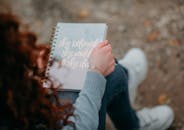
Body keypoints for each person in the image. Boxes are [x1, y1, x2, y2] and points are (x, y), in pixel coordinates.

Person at [0, 13, 174, 130]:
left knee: (107, 71)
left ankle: (125, 88)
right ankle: (133, 122)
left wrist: (26, 74)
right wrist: (96, 72)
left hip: (33, 111)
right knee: (111, 76)